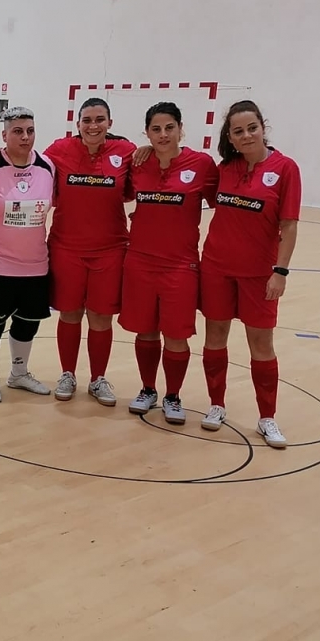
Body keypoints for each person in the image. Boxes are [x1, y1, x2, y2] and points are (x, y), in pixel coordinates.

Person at [199, 100, 300, 447]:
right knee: (215, 337)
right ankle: (216, 406)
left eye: (252, 128)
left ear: (263, 127)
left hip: (259, 274)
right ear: (230, 136)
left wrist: (280, 271)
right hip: (215, 267)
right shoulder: (225, 168)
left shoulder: (285, 169)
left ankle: (267, 418)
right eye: (238, 131)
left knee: (261, 344)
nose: (246, 136)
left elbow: (288, 224)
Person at [119, 103, 219, 424]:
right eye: (156, 129)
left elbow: (226, 202)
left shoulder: (201, 164)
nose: (163, 135)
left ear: (180, 128)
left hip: (180, 265)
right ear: (147, 133)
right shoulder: (137, 163)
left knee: (176, 335)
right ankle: (148, 389)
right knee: (146, 331)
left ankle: (173, 395)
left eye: (169, 128)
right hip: (140, 262)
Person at [44, 98, 136, 407]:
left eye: (99, 119)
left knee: (100, 317)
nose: (93, 125)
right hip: (66, 247)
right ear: (78, 123)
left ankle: (98, 378)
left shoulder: (126, 152)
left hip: (110, 249)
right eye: (87, 120)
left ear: (110, 123)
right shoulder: (59, 150)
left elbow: (136, 188)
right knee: (70, 314)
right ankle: (67, 374)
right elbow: (32, 168)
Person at [0, 106, 56, 403]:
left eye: (30, 131)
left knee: (27, 324)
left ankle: (18, 374)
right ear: (4, 135)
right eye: (18, 131)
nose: (25, 137)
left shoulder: (48, 166)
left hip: (35, 265)